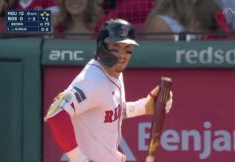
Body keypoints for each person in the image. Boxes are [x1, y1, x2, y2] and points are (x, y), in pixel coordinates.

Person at [44, 19, 173, 162]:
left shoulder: (114, 74)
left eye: (127, 49)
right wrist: (79, 158)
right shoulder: (92, 80)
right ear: (102, 47)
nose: (122, 55)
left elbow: (109, 110)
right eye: (116, 48)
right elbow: (56, 113)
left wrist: (143, 106)